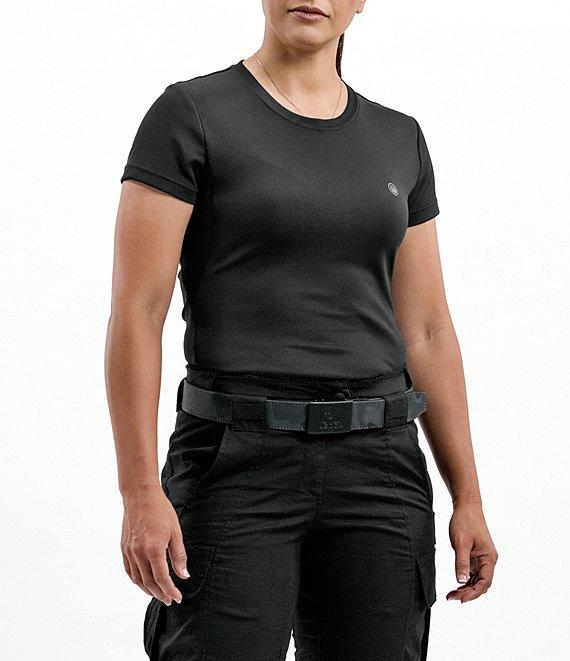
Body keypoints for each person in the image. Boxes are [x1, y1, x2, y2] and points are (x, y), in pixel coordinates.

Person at [105, 1, 498, 659]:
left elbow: (428, 329)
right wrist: (139, 490)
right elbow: (137, 312)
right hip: (235, 463)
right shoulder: (191, 115)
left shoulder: (400, 137)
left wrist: (470, 497)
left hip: (380, 468)